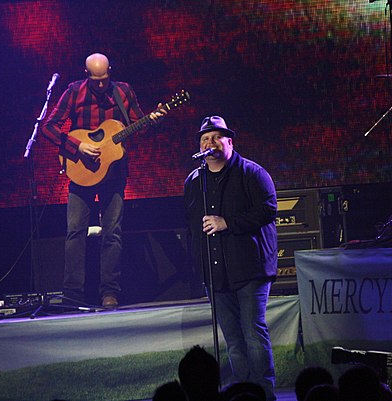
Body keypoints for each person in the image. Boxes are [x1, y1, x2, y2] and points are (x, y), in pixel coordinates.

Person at [41, 53, 166, 308]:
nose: (100, 85)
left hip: (114, 173)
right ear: (86, 75)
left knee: (113, 233)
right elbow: (48, 126)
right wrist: (78, 147)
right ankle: (72, 295)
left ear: (111, 70)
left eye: (104, 79)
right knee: (75, 232)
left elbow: (136, 124)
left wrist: (152, 121)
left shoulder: (122, 92)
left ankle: (110, 292)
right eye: (95, 80)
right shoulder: (74, 92)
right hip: (81, 169)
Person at [183, 116, 278, 401]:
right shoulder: (195, 180)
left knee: (252, 332)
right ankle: (243, 393)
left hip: (250, 268)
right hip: (216, 273)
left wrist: (228, 223)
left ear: (229, 142)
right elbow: (191, 225)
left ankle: (264, 393)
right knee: (233, 339)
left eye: (215, 137)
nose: (209, 143)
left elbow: (268, 209)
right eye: (204, 139)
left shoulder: (251, 172)